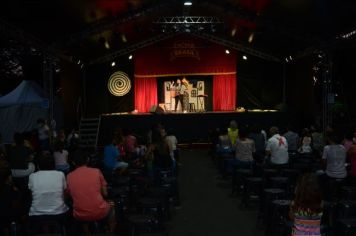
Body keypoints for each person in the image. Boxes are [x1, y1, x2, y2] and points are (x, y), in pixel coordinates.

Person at [66, 150, 116, 233]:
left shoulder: (69, 176)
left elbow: (69, 195)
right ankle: (111, 232)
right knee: (112, 206)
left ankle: (87, 233)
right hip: (100, 211)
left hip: (80, 214)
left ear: (73, 163)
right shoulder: (96, 171)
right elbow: (105, 193)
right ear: (87, 160)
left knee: (81, 209)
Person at [28, 155, 69, 233]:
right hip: (59, 213)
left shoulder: (32, 176)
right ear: (54, 165)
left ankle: (45, 228)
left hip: (36, 213)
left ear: (38, 166)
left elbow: (32, 196)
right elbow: (64, 194)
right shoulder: (60, 174)